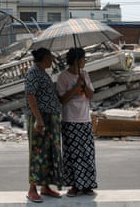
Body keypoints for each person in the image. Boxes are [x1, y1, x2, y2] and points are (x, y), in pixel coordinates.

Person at [57, 47, 98, 197]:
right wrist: (75, 87)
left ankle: (87, 185)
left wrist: (83, 84)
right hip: (70, 121)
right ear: (76, 60)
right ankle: (74, 185)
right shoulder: (63, 77)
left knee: (87, 154)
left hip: (85, 120)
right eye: (83, 58)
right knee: (72, 155)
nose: (85, 61)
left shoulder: (85, 74)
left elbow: (91, 95)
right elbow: (62, 99)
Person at [24, 47, 62, 203]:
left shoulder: (42, 73)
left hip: (50, 118)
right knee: (38, 153)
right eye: (50, 57)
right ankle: (32, 189)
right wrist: (39, 120)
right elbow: (30, 96)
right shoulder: (33, 72)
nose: (52, 60)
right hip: (40, 118)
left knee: (48, 152)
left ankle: (45, 186)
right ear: (44, 58)